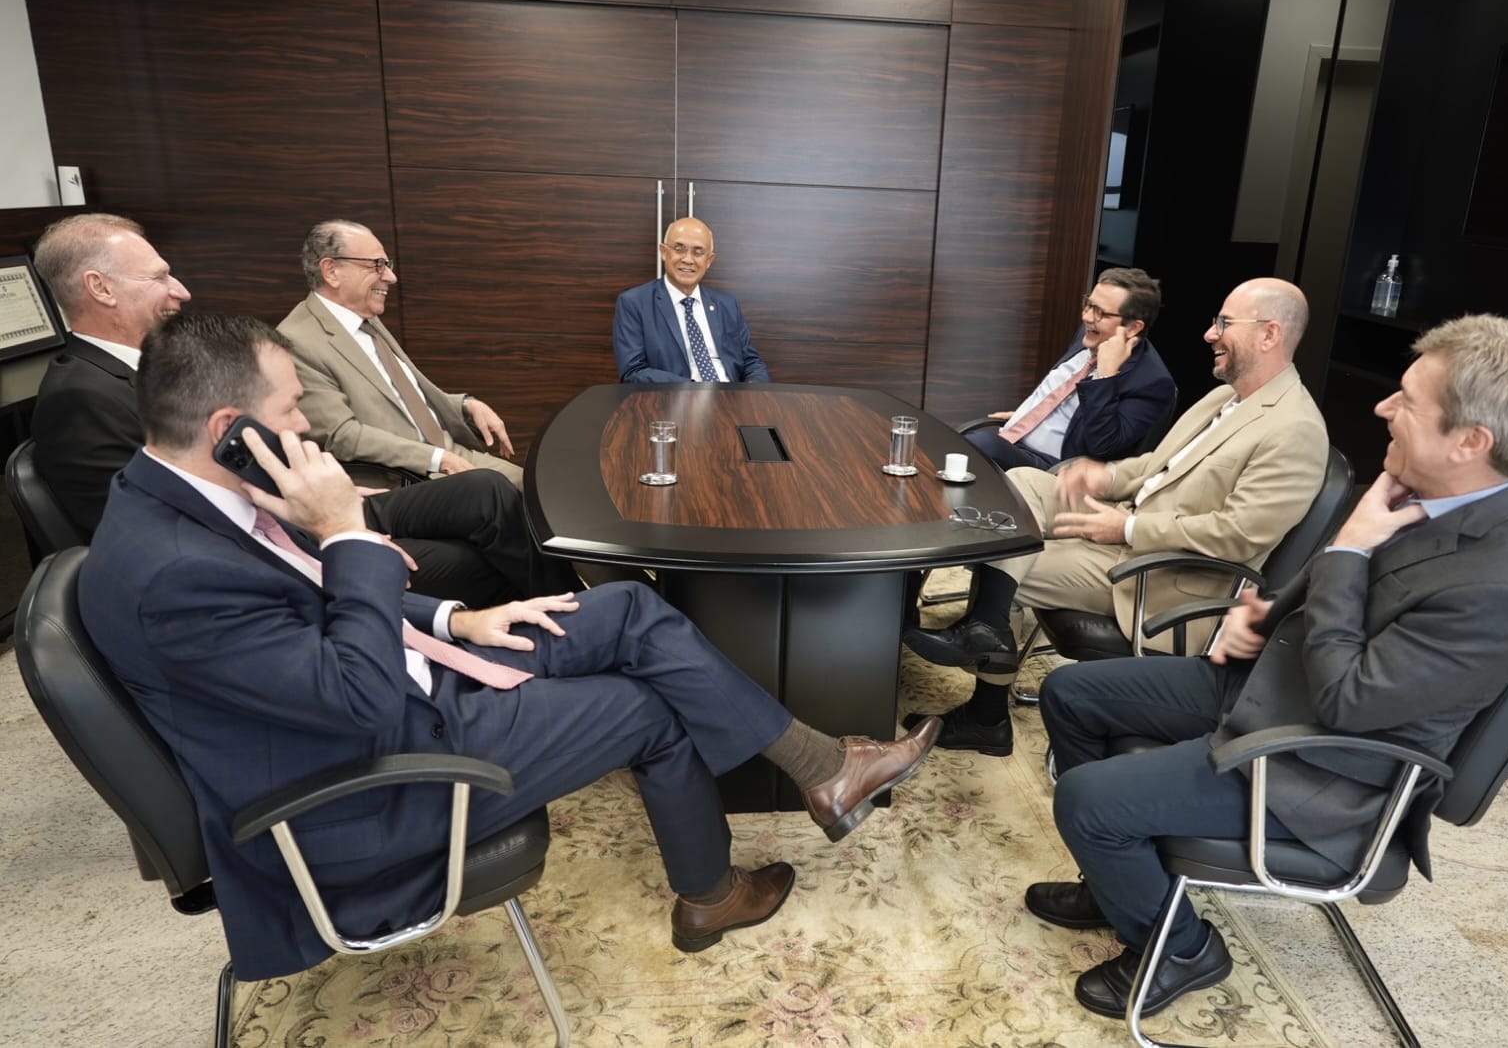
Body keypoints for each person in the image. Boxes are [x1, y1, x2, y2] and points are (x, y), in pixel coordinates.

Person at [78, 311, 941, 981]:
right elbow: (358, 699)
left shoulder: (188, 495)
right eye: (291, 408)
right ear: (230, 428)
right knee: (647, 708)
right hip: (372, 777)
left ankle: (822, 767)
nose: (305, 425)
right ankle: (713, 895)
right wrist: (346, 534)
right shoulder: (175, 575)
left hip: (411, 674)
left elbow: (306, 605)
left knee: (625, 613)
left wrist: (457, 620)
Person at [1028, 314, 1508, 1020]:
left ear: (1471, 441)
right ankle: (1119, 884)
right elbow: (1336, 583)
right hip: (1269, 685)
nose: (1384, 407)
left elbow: (1351, 700)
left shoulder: (1506, 589)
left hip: (1321, 764)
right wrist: (1264, 613)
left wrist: (1350, 547)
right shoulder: (1428, 483)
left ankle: (1181, 949)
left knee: (1088, 801)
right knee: (1070, 692)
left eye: (1409, 402)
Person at [29, 213, 563, 608]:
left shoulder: (160, 363)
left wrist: (334, 498)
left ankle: (569, 604)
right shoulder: (80, 397)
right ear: (100, 288)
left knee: (484, 489)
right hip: (287, 534)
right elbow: (150, 532)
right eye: (159, 277)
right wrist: (331, 531)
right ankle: (544, 628)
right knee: (473, 561)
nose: (182, 291)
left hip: (305, 506)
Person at [904, 278, 1328, 756]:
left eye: (1225, 323)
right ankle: (984, 629)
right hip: (1130, 523)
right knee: (1022, 483)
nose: (1210, 333)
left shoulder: (1295, 429)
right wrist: (1103, 476)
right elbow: (1158, 466)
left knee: (1011, 559)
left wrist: (1126, 527)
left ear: (1269, 334)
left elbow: (1239, 534)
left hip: (1165, 574)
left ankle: (986, 713)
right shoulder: (1224, 398)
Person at [277, 219, 523, 488]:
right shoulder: (297, 340)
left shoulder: (366, 319)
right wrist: (435, 459)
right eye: (376, 265)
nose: (390, 277)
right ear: (331, 271)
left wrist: (466, 405)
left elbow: (402, 399)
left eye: (387, 264)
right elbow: (341, 435)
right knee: (520, 492)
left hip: (447, 453)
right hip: (406, 477)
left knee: (538, 484)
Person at [967, 268, 1176, 471]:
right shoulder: (1090, 334)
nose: (1087, 317)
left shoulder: (1152, 383)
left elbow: (1103, 446)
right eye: (1089, 305)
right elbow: (1062, 397)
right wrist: (1028, 415)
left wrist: (1105, 377)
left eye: (1100, 312)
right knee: (962, 445)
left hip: (1054, 469)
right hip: (1013, 440)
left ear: (1132, 328)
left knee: (980, 446)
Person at [612, 217, 771, 383]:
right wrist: (694, 390)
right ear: (664, 252)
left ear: (709, 261)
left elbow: (752, 362)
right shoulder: (634, 303)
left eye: (698, 252)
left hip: (731, 395)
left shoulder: (727, 304)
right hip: (674, 396)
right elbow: (633, 371)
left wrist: (753, 391)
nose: (688, 260)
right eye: (679, 249)